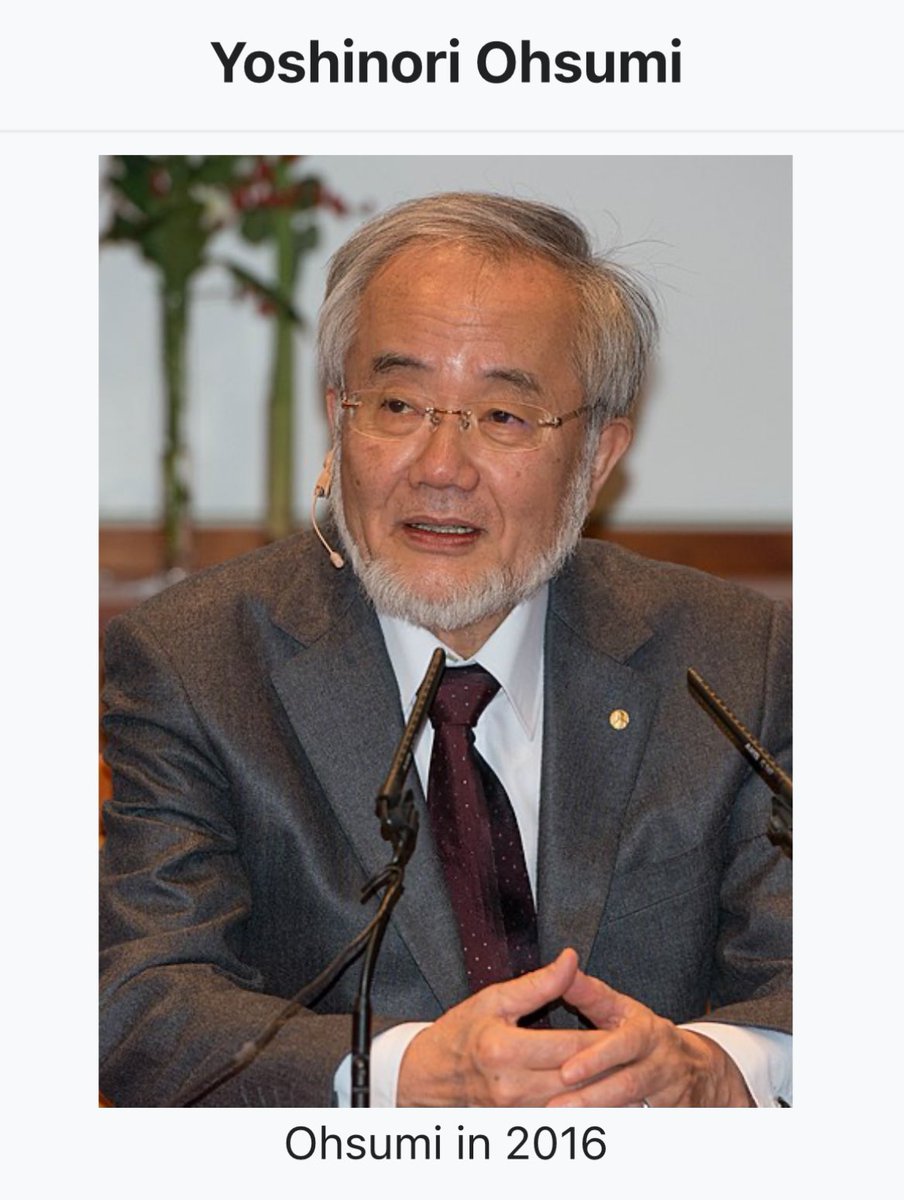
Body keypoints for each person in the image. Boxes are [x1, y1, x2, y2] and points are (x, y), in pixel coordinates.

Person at [100, 192, 791, 1108]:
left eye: (503, 417)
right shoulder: (195, 663)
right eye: (397, 403)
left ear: (596, 457)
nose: (439, 469)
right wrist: (400, 1076)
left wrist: (718, 1071)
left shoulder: (731, 658)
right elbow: (146, 1006)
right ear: (339, 418)